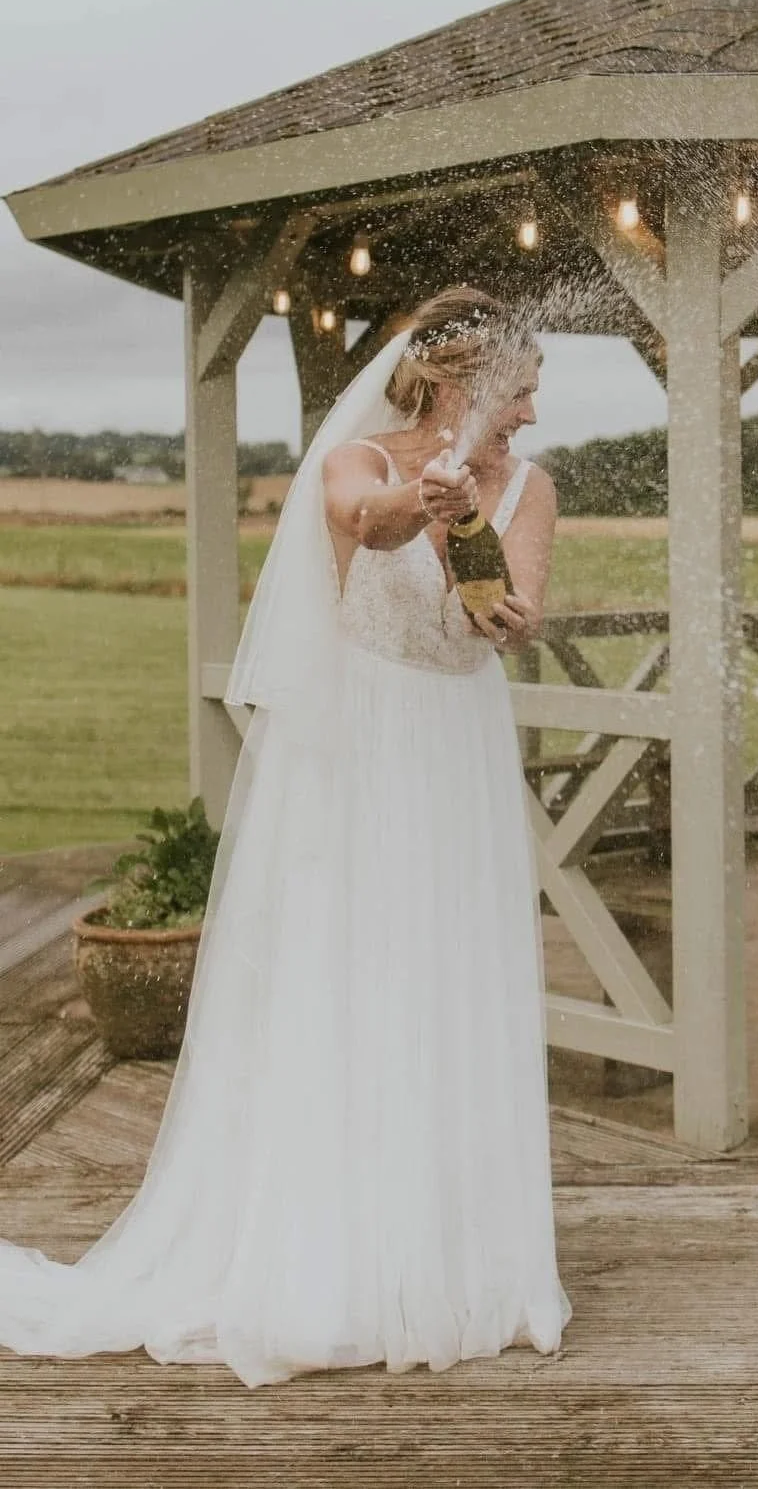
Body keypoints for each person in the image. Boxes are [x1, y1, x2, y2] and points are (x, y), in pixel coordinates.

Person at [0, 286, 569, 1386]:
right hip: (364, 751)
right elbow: (367, 523)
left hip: (458, 744)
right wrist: (425, 500)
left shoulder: (530, 489)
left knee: (450, 979)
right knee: (355, 979)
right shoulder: (355, 460)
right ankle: (339, 1258)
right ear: (460, 379)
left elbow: (505, 621)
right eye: (524, 389)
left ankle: (457, 1259)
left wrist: (470, 535)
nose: (533, 413)